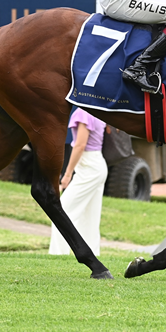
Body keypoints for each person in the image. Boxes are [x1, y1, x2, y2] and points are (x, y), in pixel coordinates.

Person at [49, 108, 108, 256]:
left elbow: (80, 145)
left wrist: (68, 173)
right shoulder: (98, 110)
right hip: (96, 164)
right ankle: (92, 255)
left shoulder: (84, 112)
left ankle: (58, 254)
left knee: (61, 212)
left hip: (89, 166)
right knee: (90, 218)